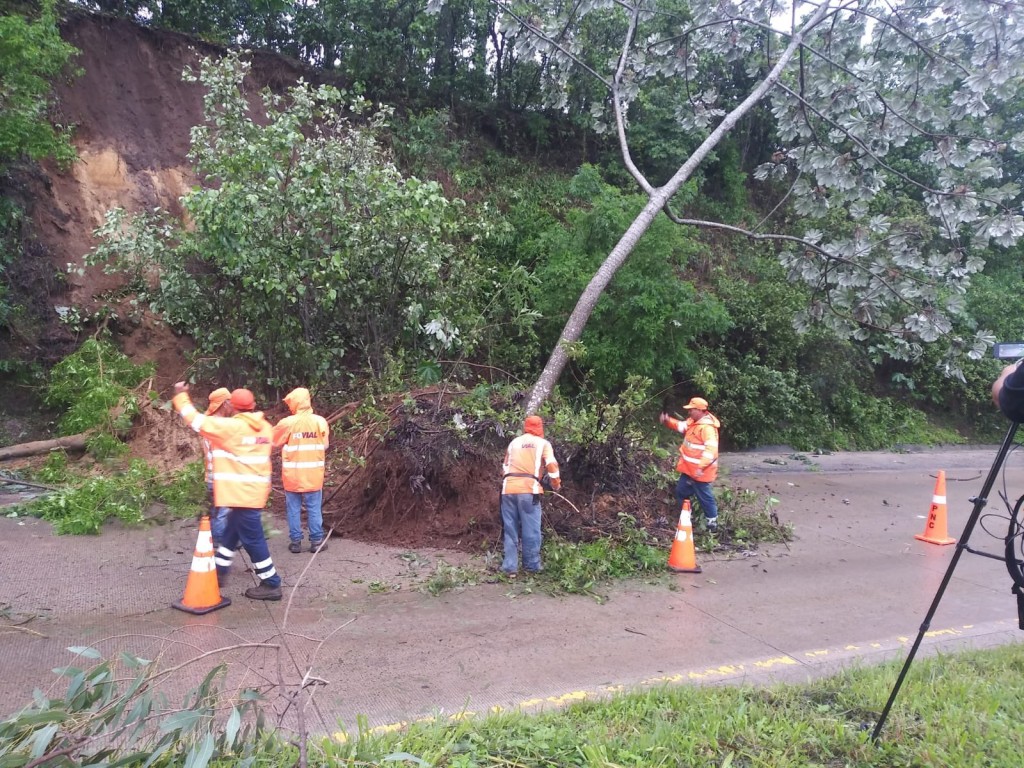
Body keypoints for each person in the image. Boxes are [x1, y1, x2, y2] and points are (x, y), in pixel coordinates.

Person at [173, 383, 282, 601]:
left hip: (241, 494)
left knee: (253, 539)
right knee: (232, 531)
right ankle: (220, 571)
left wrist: (180, 396)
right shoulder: (265, 429)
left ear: (232, 406)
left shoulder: (231, 428)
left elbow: (195, 420)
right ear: (252, 406)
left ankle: (271, 582)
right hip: (253, 493)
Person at [500, 415, 561, 577]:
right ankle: (531, 566)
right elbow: (552, 465)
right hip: (528, 490)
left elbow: (505, 467)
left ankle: (510, 568)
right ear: (540, 427)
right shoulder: (543, 444)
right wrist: (556, 485)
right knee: (531, 529)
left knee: (510, 529)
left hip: (508, 489)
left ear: (525, 426)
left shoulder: (514, 442)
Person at [273, 387, 330, 553]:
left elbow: (273, 441)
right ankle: (317, 541)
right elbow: (325, 445)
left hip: (292, 477)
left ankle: (296, 542)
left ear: (295, 403)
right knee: (314, 508)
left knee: (293, 509)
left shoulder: (287, 423)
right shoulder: (320, 421)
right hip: (313, 476)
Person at [659, 396, 721, 533]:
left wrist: (701, 467)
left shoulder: (707, 429)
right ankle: (687, 519)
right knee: (681, 492)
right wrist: (667, 420)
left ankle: (712, 523)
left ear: (700, 410)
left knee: (705, 497)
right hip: (689, 470)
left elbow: (711, 450)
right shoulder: (693, 422)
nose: (689, 412)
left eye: (692, 410)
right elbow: (681, 426)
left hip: (700, 472)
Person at [201, 387, 231, 547]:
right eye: (229, 402)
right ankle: (220, 542)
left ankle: (212, 539)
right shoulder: (224, 425)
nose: (232, 405)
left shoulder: (207, 423)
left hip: (210, 476)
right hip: (222, 476)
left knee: (214, 511)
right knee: (223, 512)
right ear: (224, 403)